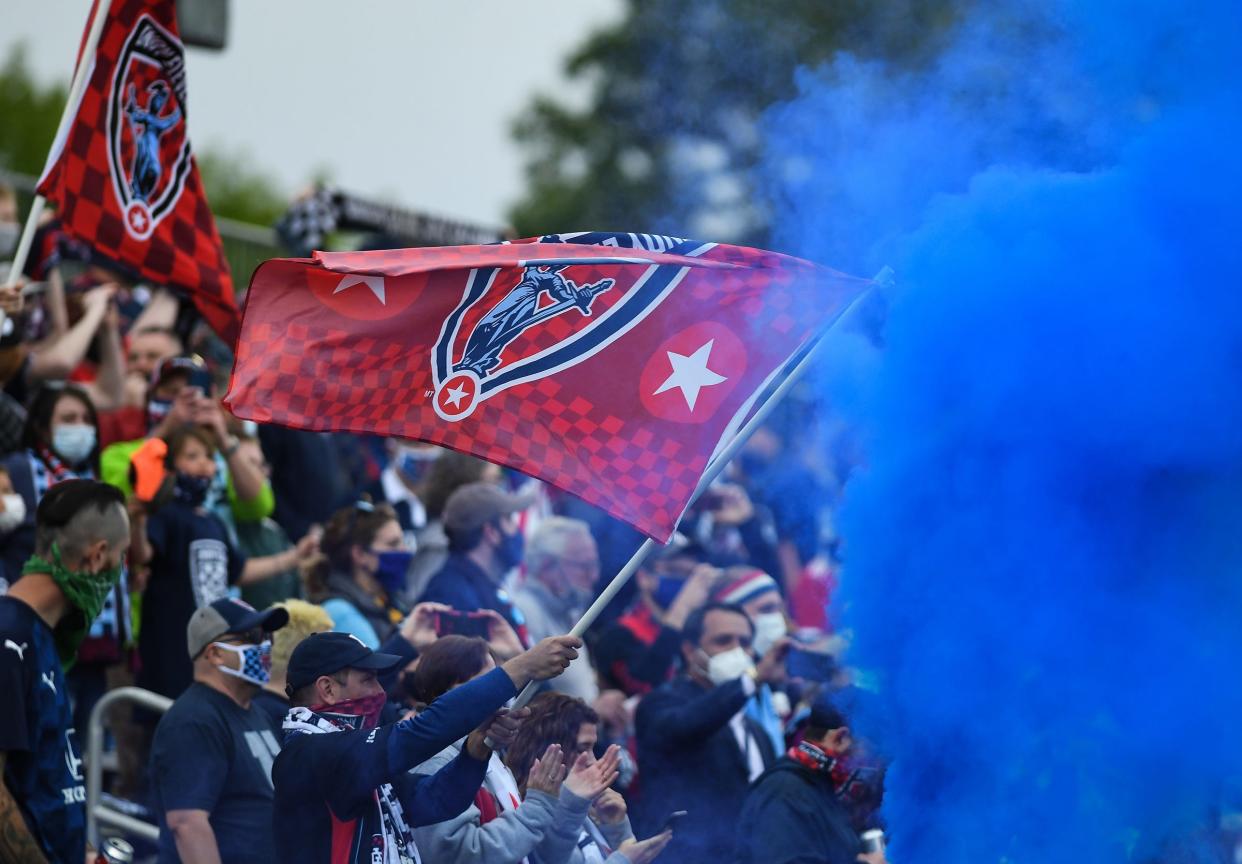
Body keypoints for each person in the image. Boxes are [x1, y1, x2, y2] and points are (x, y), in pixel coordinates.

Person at [271, 629, 582, 863]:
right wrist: (522, 667)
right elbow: (420, 733)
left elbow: (435, 801)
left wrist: (476, 750)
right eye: (367, 679)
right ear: (327, 688)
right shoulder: (309, 753)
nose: (380, 691)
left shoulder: (354, 757)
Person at [129, 426, 318, 700]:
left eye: (208, 456)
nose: (204, 464)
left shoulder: (213, 521)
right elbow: (143, 555)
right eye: (192, 456)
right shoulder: (166, 514)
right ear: (169, 469)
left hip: (212, 645)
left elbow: (239, 571)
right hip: (171, 644)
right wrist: (138, 520)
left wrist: (294, 557)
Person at [0, 479, 128, 863]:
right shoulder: (9, 640)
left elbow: (47, 778)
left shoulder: (40, 636)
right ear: (96, 557)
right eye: (122, 558)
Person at [408, 636, 622, 864]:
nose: (500, 695)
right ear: (450, 696)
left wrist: (583, 813)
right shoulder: (436, 761)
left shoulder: (493, 758)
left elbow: (536, 857)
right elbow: (460, 856)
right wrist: (538, 806)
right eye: (487, 684)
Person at [633, 602, 788, 864]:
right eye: (723, 641)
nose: (737, 650)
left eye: (745, 642)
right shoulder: (659, 704)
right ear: (690, 650)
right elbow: (688, 724)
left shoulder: (757, 730)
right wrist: (751, 680)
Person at [149, 597, 290, 864]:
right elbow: (187, 823)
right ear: (214, 653)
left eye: (267, 637)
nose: (265, 646)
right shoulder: (193, 721)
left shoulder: (256, 713)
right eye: (251, 636)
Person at [505, 692, 673, 864]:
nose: (592, 761)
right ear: (548, 750)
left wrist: (617, 828)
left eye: (592, 748)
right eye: (581, 749)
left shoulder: (588, 812)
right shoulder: (525, 818)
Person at [735, 699, 887, 864]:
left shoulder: (820, 784)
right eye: (871, 746)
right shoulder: (784, 792)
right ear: (841, 738)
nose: (874, 760)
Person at [592, 537, 718, 697]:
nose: (688, 585)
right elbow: (648, 678)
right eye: (675, 571)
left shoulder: (694, 632)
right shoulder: (618, 633)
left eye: (691, 576)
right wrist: (682, 607)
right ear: (644, 578)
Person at [419, 481, 534, 642]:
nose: (517, 529)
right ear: (491, 532)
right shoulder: (454, 599)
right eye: (508, 519)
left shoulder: (482, 586)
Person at [303, 499, 412, 648]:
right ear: (360, 554)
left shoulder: (393, 598)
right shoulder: (339, 610)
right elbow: (377, 668)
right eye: (393, 544)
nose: (404, 551)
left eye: (402, 541)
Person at [252, 598, 334, 729]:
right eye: (327, 649)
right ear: (304, 654)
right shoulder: (284, 719)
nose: (334, 657)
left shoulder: (254, 706)